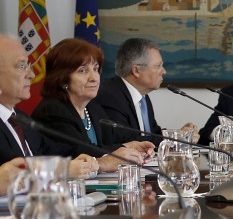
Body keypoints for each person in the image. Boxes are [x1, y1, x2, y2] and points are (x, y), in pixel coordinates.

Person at [31, 38, 153, 172]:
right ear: (62, 78)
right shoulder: (53, 110)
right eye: (82, 71)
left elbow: (108, 142)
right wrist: (123, 150)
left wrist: (131, 146)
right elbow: (81, 151)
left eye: (95, 69)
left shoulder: (93, 108)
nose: (94, 78)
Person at [0, 33, 99, 180]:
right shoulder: (51, 110)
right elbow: (11, 172)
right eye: (21, 66)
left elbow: (53, 150)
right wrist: (61, 170)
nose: (31, 74)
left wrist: (91, 160)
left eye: (28, 66)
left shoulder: (20, 118)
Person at [94, 38, 196, 143]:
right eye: (158, 66)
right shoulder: (111, 96)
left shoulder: (143, 97)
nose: (164, 71)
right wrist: (176, 138)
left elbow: (152, 134)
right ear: (136, 71)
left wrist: (179, 134)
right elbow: (125, 140)